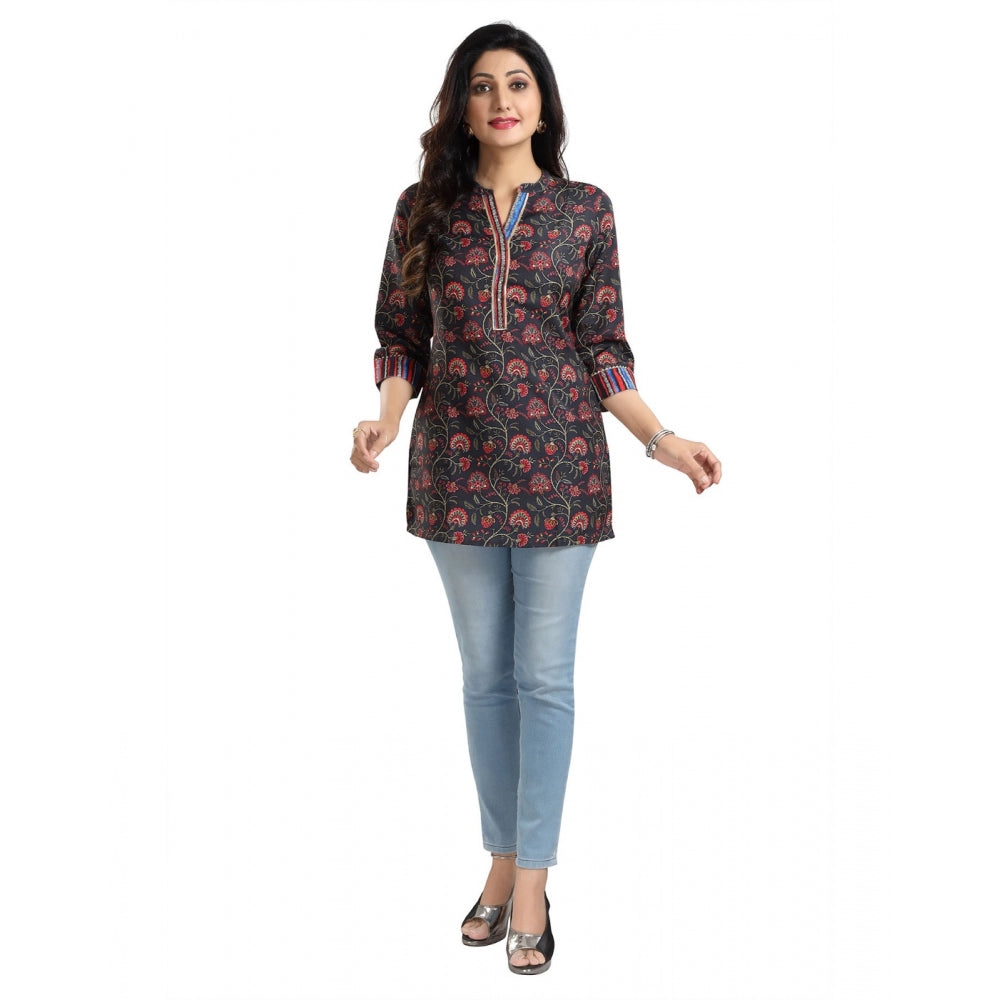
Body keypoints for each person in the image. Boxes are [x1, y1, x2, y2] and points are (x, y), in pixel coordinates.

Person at [350, 22, 721, 976]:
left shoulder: (586, 210)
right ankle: (500, 859)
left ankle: (530, 884)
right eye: (482, 85)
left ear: (543, 102)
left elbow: (603, 346)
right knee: (485, 680)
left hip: (561, 470)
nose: (501, 100)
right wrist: (384, 420)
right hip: (454, 468)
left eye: (518, 83)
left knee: (544, 680)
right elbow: (402, 337)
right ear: (461, 107)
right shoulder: (422, 210)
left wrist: (662, 440)